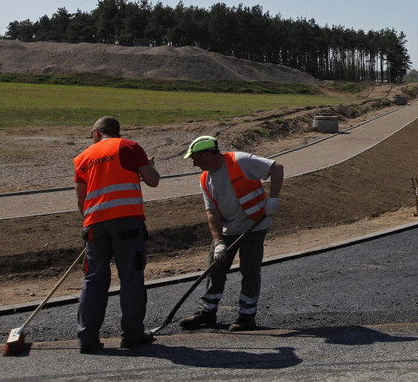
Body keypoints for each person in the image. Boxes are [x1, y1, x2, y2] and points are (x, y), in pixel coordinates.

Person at [73, 116, 160, 354]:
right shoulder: (129, 147)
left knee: (93, 280)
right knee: (131, 278)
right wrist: (148, 167)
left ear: (96, 133)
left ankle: (87, 338)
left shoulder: (82, 158)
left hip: (94, 226)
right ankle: (132, 334)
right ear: (116, 132)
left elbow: (81, 199)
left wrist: (89, 224)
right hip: (127, 223)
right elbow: (153, 181)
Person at [179, 136, 283, 332]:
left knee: (249, 270)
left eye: (195, 158)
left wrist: (274, 200)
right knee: (215, 266)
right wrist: (218, 242)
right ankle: (207, 312)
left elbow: (276, 168)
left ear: (206, 155)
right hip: (228, 230)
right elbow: (212, 212)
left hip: (254, 225)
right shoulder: (205, 178)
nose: (193, 163)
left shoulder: (241, 161)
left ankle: (246, 316)